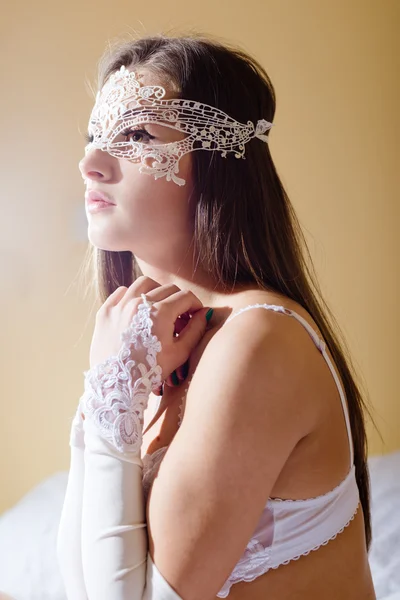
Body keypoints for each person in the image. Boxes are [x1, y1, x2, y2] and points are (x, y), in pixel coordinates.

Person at [56, 34, 377, 599]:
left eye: (134, 135)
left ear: (215, 161)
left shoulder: (258, 340)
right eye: (92, 137)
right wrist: (105, 391)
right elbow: (81, 581)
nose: (89, 163)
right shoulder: (153, 348)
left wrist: (112, 385)